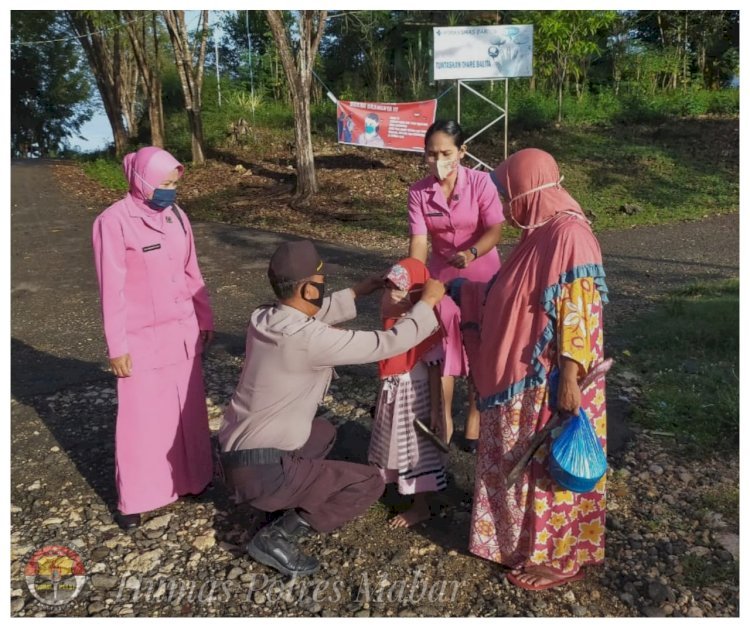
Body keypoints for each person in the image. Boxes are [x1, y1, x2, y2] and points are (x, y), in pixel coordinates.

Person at [218, 240, 445, 577]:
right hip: (262, 472)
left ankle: (270, 499)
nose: (323, 291)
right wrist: (425, 304)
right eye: (320, 284)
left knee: (323, 432)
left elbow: (303, 314)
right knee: (367, 483)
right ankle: (279, 536)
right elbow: (386, 343)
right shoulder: (309, 341)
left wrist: (356, 292)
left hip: (233, 459)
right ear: (309, 287)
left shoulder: (263, 318)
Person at [452, 148, 608, 590]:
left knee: (546, 468)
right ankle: (519, 545)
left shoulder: (569, 235)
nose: (506, 203)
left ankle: (560, 558)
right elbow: (516, 297)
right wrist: (467, 293)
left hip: (552, 380)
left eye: (509, 193)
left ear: (530, 189)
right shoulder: (538, 234)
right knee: (520, 464)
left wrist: (572, 380)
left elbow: (580, 309)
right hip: (522, 378)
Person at [92, 146, 215, 531]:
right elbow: (111, 289)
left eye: (174, 184)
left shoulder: (177, 216)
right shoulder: (113, 222)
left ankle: (193, 480)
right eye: (163, 184)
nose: (170, 191)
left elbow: (192, 271)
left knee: (187, 412)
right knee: (141, 419)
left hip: (182, 332)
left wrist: (204, 317)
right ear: (141, 180)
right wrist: (117, 346)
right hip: (140, 339)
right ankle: (137, 497)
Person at [407, 119, 504, 451]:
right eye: (431, 154)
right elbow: (419, 242)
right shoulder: (419, 192)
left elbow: (495, 229)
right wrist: (414, 277)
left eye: (446, 153)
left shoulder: (481, 183)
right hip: (441, 275)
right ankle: (442, 418)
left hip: (482, 270)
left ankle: (475, 421)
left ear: (462, 152)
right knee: (443, 341)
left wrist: (472, 252)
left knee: (480, 346)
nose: (438, 161)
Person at [368, 258, 448, 528]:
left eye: (398, 289)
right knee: (390, 443)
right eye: (388, 288)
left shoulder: (426, 327)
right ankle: (393, 485)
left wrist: (438, 411)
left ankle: (421, 505)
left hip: (414, 399)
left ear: (415, 293)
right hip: (393, 394)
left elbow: (436, 370)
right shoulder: (392, 321)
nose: (391, 295)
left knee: (415, 449)